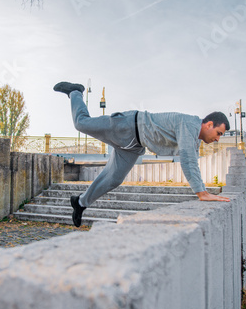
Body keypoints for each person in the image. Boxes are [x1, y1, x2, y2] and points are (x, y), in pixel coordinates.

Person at [54, 81, 231, 227]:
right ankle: (76, 92)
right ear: (208, 125)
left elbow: (193, 161)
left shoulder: (194, 138)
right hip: (127, 126)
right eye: (219, 134)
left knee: (114, 179)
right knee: (82, 123)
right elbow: (188, 160)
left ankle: (79, 203)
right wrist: (202, 193)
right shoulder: (190, 125)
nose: (217, 139)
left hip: (134, 146)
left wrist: (203, 191)